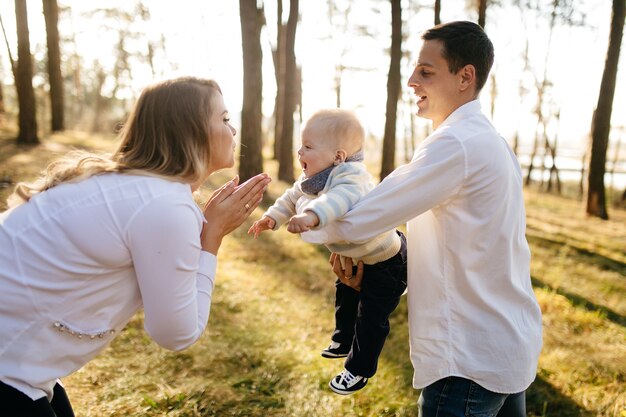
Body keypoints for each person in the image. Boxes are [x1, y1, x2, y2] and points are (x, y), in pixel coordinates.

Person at [0, 76, 271, 416]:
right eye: (225, 119)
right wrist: (211, 239)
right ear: (190, 130)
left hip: (22, 367)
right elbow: (177, 333)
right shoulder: (163, 203)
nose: (233, 131)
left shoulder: (135, 187)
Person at [325, 21, 543, 416]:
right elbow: (460, 245)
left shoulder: (454, 144)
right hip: (507, 345)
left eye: (426, 72)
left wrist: (304, 211)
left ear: (465, 77)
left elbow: (354, 220)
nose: (411, 81)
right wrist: (385, 268)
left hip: (467, 361)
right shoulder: (489, 139)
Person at [248, 109, 407, 395]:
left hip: (387, 262)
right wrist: (272, 218)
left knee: (371, 317)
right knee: (344, 293)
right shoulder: (314, 177)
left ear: (338, 156)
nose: (299, 152)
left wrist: (311, 217)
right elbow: (292, 196)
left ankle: (358, 369)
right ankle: (342, 338)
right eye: (301, 144)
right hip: (357, 257)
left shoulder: (351, 177)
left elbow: (338, 200)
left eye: (308, 147)